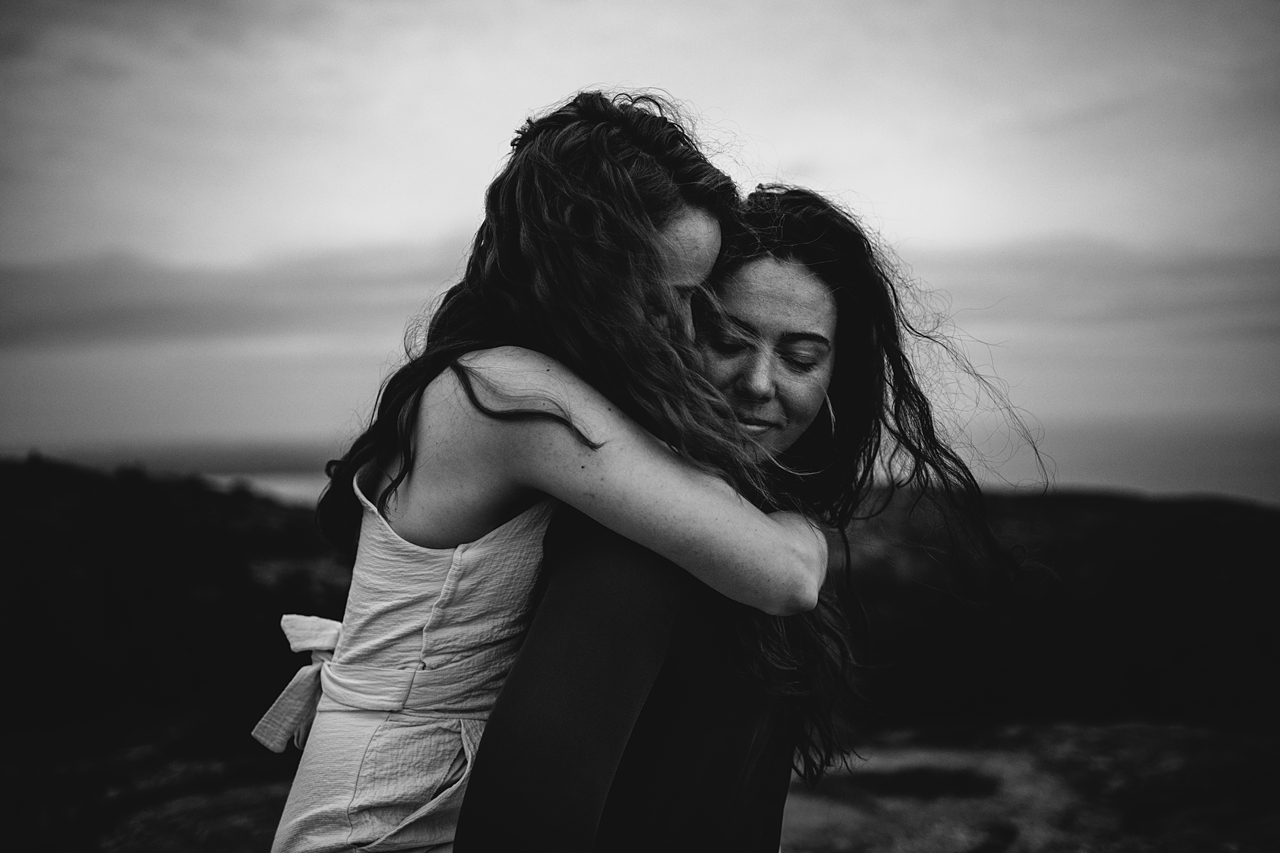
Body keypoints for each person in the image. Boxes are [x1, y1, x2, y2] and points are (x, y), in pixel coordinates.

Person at [253, 95, 847, 853]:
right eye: (666, 297)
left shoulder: (502, 378)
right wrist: (805, 533)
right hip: (386, 817)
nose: (682, 327)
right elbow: (780, 574)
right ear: (583, 270)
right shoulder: (514, 395)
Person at [454, 185, 1026, 851]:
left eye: (801, 357)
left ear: (839, 374)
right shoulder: (638, 545)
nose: (759, 381)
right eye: (728, 339)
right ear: (670, 332)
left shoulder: (750, 531)